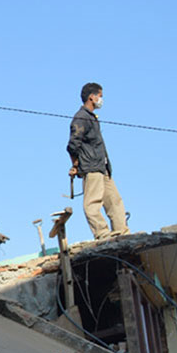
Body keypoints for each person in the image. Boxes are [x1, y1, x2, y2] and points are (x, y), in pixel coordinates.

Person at [67, 82, 128, 239]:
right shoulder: (81, 118)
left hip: (103, 168)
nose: (101, 100)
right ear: (91, 97)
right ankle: (102, 234)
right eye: (100, 96)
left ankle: (122, 233)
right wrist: (75, 164)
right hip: (91, 167)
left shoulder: (92, 118)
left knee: (114, 201)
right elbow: (72, 145)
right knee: (92, 203)